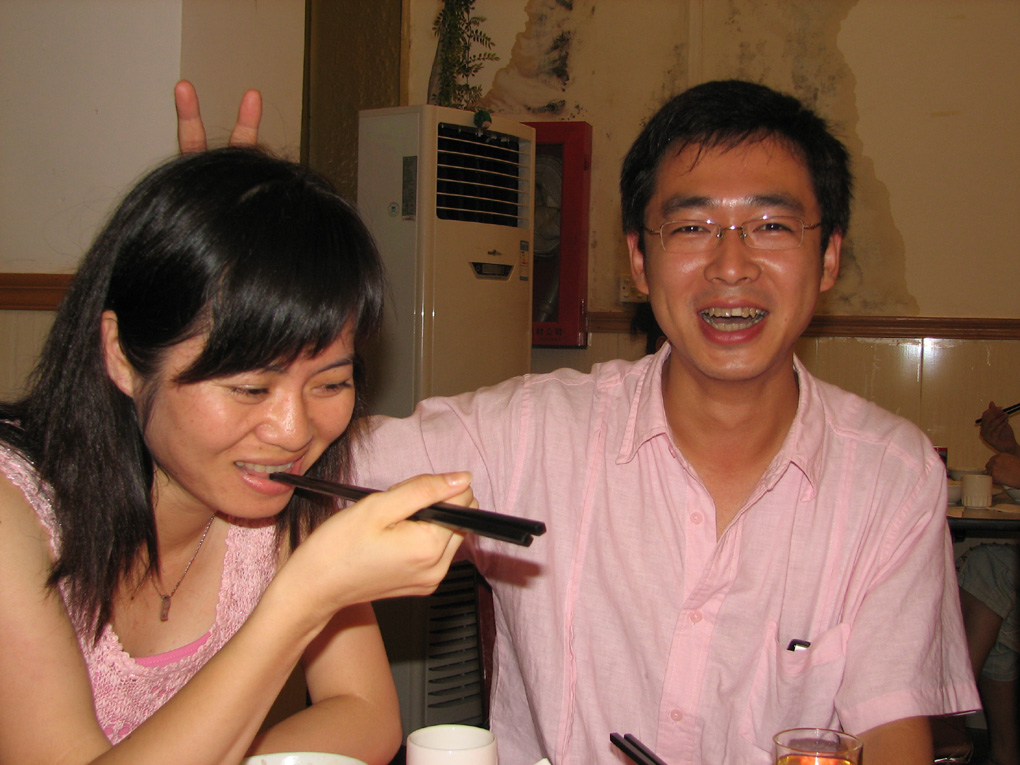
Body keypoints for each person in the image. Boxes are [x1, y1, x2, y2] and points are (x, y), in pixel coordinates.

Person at [180, 79, 980, 764]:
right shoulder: (532, 433)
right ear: (638, 260)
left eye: (771, 226)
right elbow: (293, 461)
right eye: (692, 227)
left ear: (829, 256)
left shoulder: (890, 475)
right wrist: (234, 288)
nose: (731, 264)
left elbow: (891, 734)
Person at [0, 146, 474, 764]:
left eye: (331, 383)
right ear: (121, 356)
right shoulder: (16, 512)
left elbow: (368, 718)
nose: (293, 432)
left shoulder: (283, 498)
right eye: (250, 388)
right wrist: (302, 600)